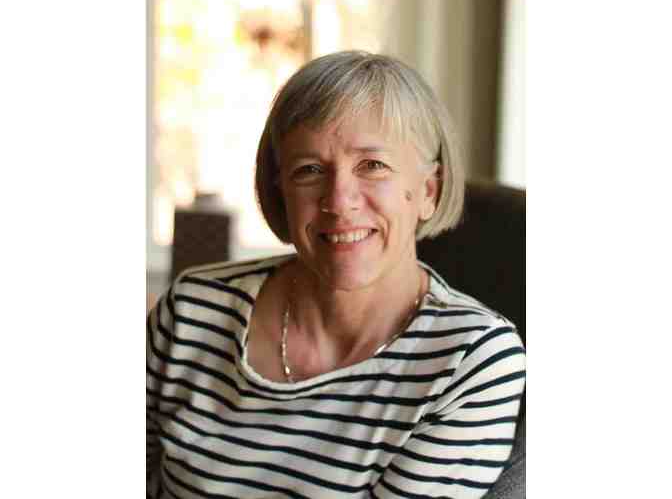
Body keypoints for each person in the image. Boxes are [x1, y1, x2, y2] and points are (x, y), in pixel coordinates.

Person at [147, 50, 526, 498]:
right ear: (281, 192)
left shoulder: (472, 360)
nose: (339, 201)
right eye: (309, 170)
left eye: (372, 166)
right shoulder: (191, 311)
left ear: (428, 190)